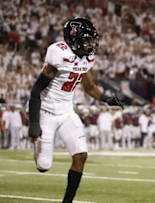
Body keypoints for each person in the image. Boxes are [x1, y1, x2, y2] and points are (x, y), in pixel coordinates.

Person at [27, 17, 124, 203]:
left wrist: (107, 99)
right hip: (46, 110)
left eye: (91, 40)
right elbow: (36, 90)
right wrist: (34, 122)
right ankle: (38, 144)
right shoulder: (59, 54)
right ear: (73, 38)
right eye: (86, 40)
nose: (90, 44)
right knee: (43, 166)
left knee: (80, 155)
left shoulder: (86, 58)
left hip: (66, 111)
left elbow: (89, 87)